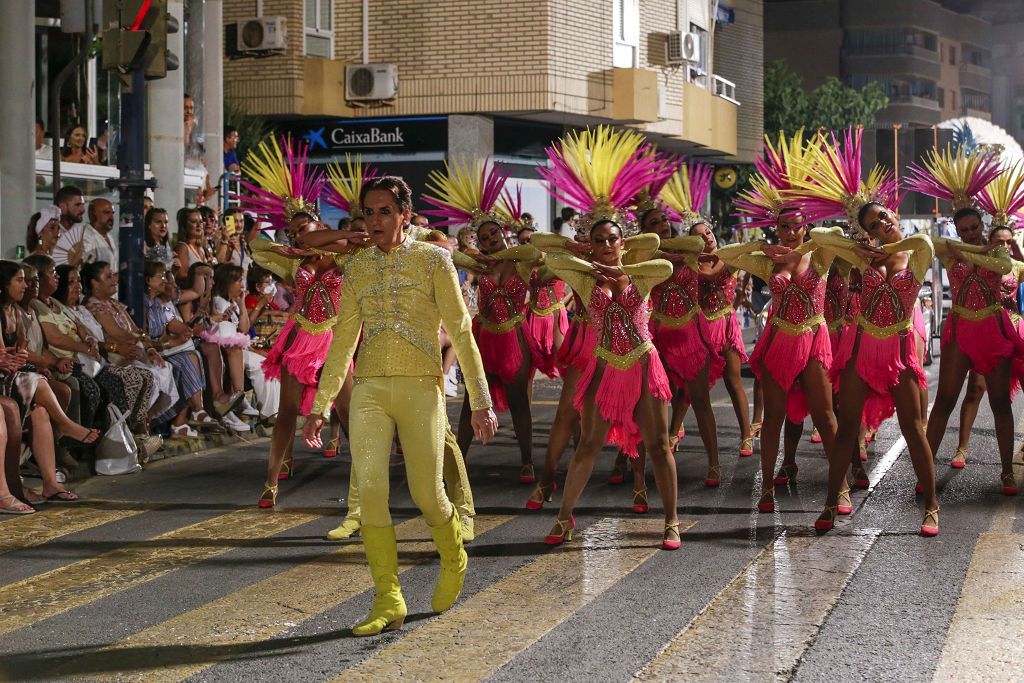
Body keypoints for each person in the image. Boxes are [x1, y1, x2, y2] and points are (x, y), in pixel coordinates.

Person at [303, 174, 498, 637]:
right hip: (369, 390)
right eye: (369, 212)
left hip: (421, 389)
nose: (375, 220)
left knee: (427, 494)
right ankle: (387, 596)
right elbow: (343, 340)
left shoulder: (435, 260)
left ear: (404, 215)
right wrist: (321, 404)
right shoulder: (357, 268)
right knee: (370, 492)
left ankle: (454, 555)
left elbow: (463, 331)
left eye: (384, 211)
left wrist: (481, 400)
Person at [536, 126, 680, 550]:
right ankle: (565, 518)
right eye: (598, 240)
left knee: (658, 445)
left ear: (623, 240)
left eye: (612, 239)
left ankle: (671, 520)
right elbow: (548, 251)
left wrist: (620, 267)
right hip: (602, 365)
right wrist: (582, 254)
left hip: (641, 362)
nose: (605, 245)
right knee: (588, 446)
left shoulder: (642, 269)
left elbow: (664, 264)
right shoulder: (583, 278)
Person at [790, 127, 939, 535]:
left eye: (885, 214)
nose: (884, 220)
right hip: (863, 348)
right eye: (875, 222)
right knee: (847, 428)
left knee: (913, 428)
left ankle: (930, 505)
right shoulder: (860, 258)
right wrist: (858, 249)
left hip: (898, 348)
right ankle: (829, 501)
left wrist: (877, 249)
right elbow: (821, 236)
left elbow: (924, 239)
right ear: (867, 230)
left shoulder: (916, 251)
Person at [907, 150, 1024, 496]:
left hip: (992, 329)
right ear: (956, 229)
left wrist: (972, 253)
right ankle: (924, 473)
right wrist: (957, 246)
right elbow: (928, 243)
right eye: (964, 229)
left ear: (983, 228)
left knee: (1000, 402)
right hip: (960, 332)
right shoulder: (948, 248)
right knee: (944, 401)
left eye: (974, 228)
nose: (970, 233)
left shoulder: (997, 252)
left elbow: (1005, 267)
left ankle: (1005, 473)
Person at [422, 159, 542, 483]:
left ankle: (528, 461)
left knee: (519, 402)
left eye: (493, 234)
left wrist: (497, 258)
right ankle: (458, 460)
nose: (489, 241)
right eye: (484, 238)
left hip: (514, 339)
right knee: (470, 402)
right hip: (485, 338)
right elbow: (445, 252)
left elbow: (539, 252)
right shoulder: (477, 262)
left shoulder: (521, 260)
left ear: (503, 233)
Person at [50, 264, 158, 446]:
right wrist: (114, 347)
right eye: (70, 282)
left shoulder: (81, 311)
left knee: (146, 376)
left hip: (98, 362)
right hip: (83, 365)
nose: (77, 286)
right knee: (129, 378)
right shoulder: (65, 310)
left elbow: (94, 337)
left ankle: (136, 433)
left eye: (78, 281)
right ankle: (116, 439)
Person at [144, 261, 216, 438]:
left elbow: (168, 332)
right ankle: (195, 411)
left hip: (161, 350)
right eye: (161, 277)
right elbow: (146, 338)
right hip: (150, 353)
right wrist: (172, 342)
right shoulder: (145, 304)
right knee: (188, 358)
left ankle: (194, 414)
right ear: (148, 280)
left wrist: (180, 336)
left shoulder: (156, 305)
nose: (167, 283)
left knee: (193, 356)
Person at [174, 208, 214, 281]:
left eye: (201, 222)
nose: (199, 225)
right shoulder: (183, 247)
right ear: (184, 225)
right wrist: (202, 274)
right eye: (193, 222)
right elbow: (181, 274)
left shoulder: (201, 248)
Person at [82, 199, 118, 265]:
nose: (111, 218)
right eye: (106, 213)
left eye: (112, 213)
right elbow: (87, 270)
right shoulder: (86, 237)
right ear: (93, 214)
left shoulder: (109, 237)